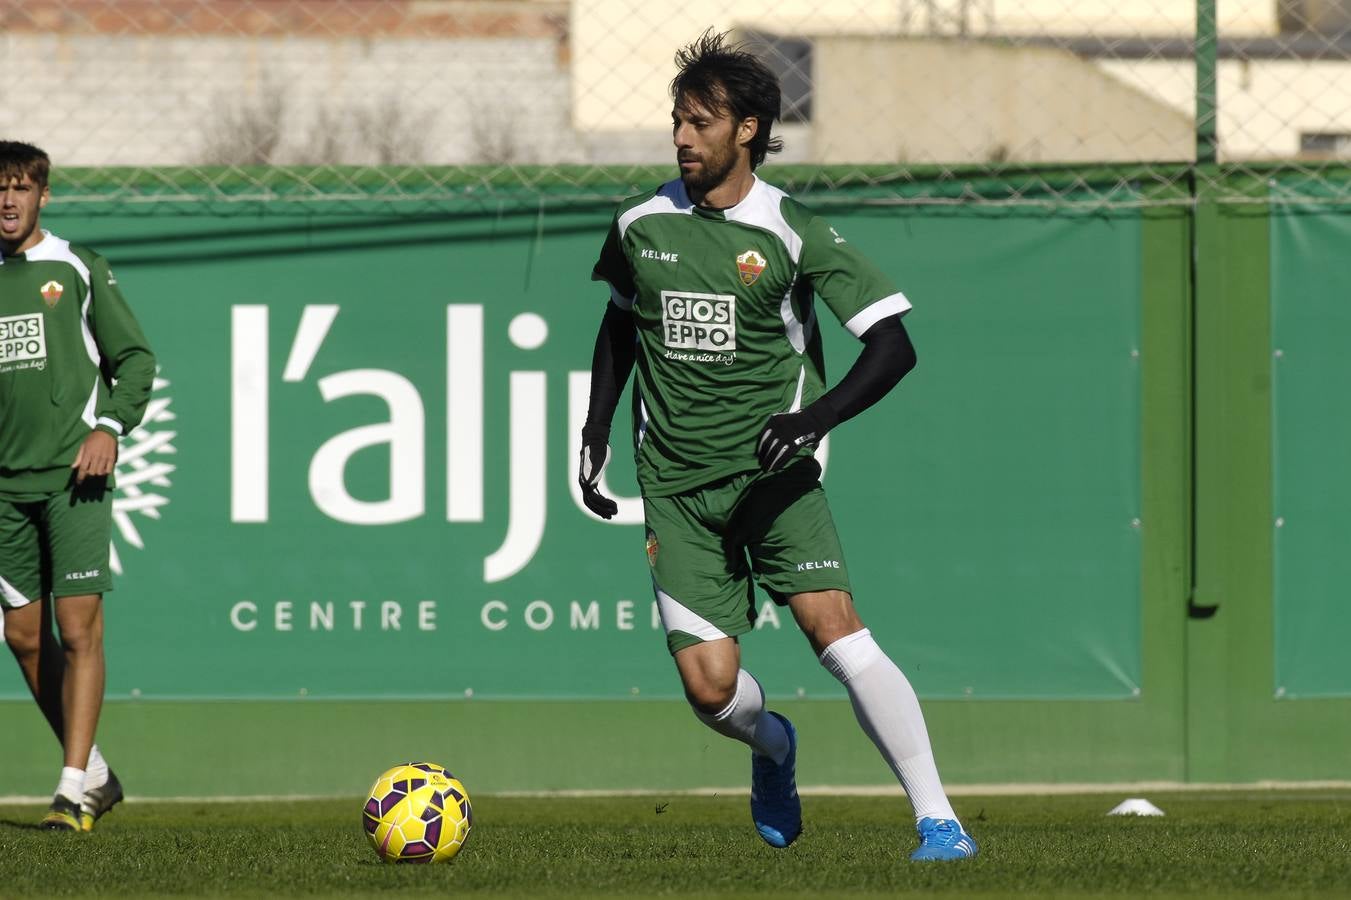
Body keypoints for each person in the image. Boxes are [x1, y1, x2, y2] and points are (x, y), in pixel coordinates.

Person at [577, 32, 977, 860]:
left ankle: (938, 819)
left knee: (838, 634)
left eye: (700, 122)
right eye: (677, 121)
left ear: (749, 129)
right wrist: (593, 430)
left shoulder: (792, 231)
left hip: (775, 481)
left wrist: (814, 419)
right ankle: (775, 749)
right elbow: (619, 324)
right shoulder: (640, 224)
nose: (682, 138)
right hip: (679, 494)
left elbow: (892, 346)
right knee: (712, 691)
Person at [0, 140, 155, 830]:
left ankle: (71, 790)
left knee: (77, 627)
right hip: (5, 487)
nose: (8, 201)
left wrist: (111, 428)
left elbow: (135, 358)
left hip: (74, 477)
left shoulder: (77, 267)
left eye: (21, 188)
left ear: (42, 195)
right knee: (25, 638)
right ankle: (94, 770)